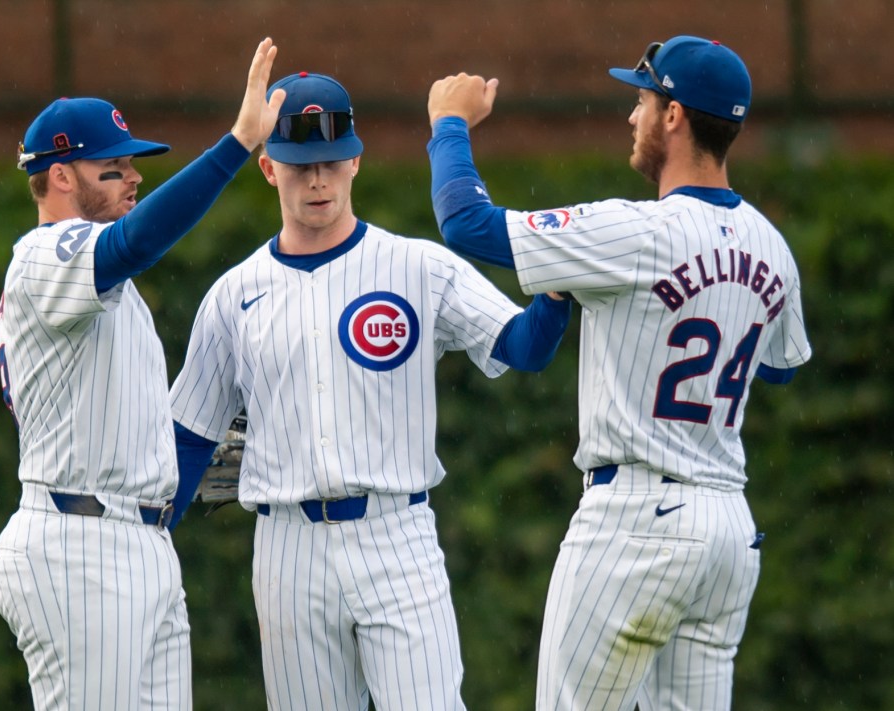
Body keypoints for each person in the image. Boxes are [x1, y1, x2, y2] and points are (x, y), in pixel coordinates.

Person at [426, 35, 812, 711]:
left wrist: (449, 124)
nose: (633, 116)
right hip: (727, 528)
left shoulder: (634, 231)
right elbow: (776, 370)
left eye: (643, 101)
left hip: (636, 521)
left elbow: (464, 222)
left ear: (674, 115)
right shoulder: (773, 248)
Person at [167, 71, 572, 710]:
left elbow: (523, 348)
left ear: (356, 160)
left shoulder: (419, 265)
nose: (318, 180)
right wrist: (148, 534)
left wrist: (556, 290)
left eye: (331, 162)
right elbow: (189, 438)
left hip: (396, 533)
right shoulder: (233, 294)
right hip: (287, 546)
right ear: (269, 169)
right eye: (300, 166)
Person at [0, 38, 286, 710]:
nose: (133, 177)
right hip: (79, 544)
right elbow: (138, 240)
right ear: (60, 176)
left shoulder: (109, 294)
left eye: (132, 165)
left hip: (137, 542)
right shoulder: (45, 254)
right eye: (114, 166)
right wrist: (238, 143)